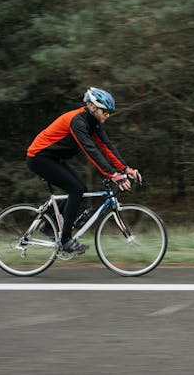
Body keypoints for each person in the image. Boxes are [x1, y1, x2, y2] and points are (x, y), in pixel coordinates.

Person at [26, 87, 142, 254]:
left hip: (53, 159)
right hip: (39, 157)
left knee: (80, 189)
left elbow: (107, 146)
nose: (107, 115)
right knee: (76, 189)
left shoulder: (93, 122)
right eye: (105, 111)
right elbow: (90, 150)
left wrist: (126, 169)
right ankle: (65, 241)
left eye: (109, 112)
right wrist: (113, 174)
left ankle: (48, 225)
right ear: (93, 107)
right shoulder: (77, 121)